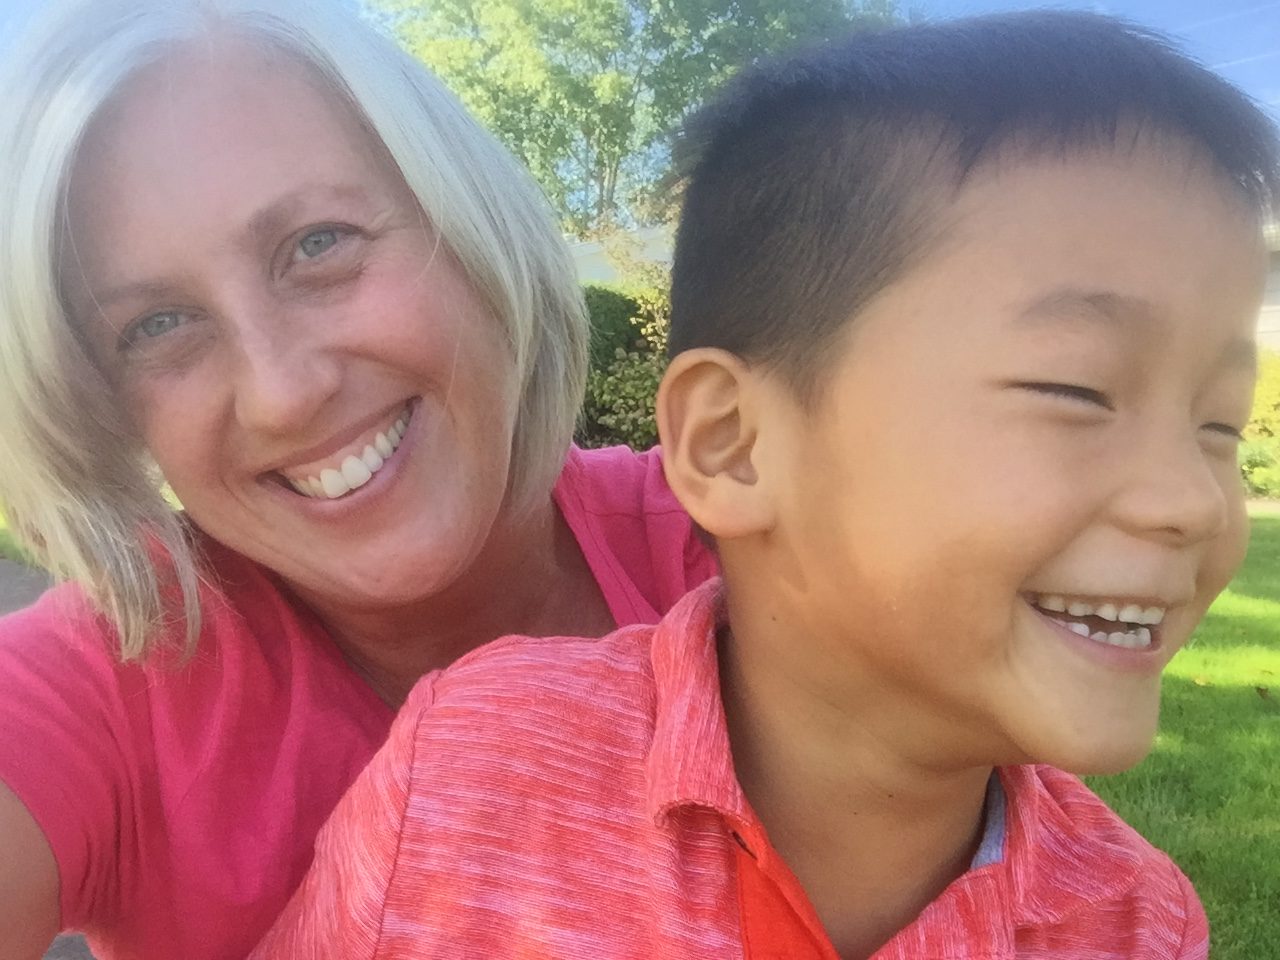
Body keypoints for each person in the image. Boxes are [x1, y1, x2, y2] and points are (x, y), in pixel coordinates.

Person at [248, 10, 1279, 960]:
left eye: (1215, 426)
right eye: (1079, 391)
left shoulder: (1134, 922)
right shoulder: (474, 781)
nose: (1189, 501)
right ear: (733, 444)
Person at [0, 1, 718, 957]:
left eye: (318, 244)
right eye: (157, 326)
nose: (284, 393)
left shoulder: (747, 542)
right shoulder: (109, 683)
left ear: (467, 222)